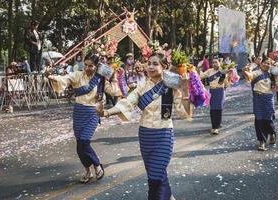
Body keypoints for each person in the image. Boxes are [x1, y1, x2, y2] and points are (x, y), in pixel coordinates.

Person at [99, 43, 189, 200]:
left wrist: (186, 90)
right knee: (156, 175)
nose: (151, 67)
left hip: (164, 134)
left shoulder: (172, 86)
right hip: (146, 135)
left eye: (155, 64)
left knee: (156, 176)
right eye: (149, 63)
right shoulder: (142, 86)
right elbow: (128, 102)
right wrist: (105, 112)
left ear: (164, 66)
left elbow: (183, 112)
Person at [45, 57, 120, 183]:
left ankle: (97, 165)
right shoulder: (78, 75)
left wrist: (113, 77)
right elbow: (64, 79)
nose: (87, 68)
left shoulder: (101, 80)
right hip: (79, 112)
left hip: (93, 113)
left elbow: (114, 91)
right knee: (80, 146)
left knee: (84, 141)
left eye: (90, 66)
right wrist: (50, 76)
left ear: (96, 67)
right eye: (85, 65)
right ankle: (88, 172)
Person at [242, 60, 276, 151]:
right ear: (260, 64)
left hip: (269, 98)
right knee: (259, 119)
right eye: (264, 63)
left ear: (271, 65)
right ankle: (262, 141)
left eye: (268, 63)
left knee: (269, 119)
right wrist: (244, 71)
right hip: (258, 98)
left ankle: (271, 132)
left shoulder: (273, 73)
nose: (266, 64)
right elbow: (249, 76)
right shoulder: (256, 72)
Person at [199, 59, 233, 135]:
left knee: (218, 109)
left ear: (219, 63)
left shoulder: (223, 71)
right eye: (213, 62)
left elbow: (227, 84)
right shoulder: (209, 71)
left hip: (220, 91)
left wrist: (230, 74)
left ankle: (216, 127)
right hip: (212, 91)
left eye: (216, 62)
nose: (214, 64)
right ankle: (214, 125)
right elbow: (200, 76)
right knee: (212, 109)